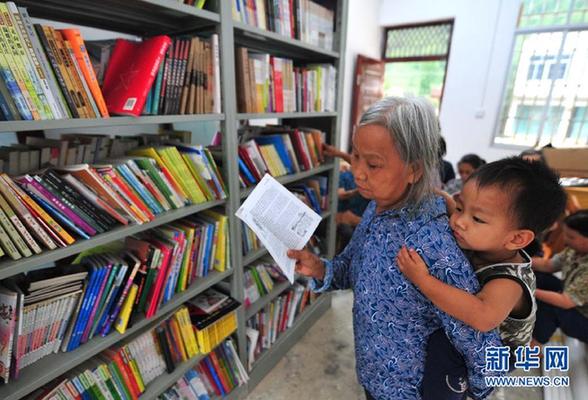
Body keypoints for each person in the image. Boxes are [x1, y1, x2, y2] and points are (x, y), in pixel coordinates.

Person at [287, 97, 503, 400]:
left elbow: (477, 332)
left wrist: (477, 390)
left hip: (410, 390)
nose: (359, 172)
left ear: (414, 170)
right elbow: (352, 268)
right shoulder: (378, 209)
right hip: (374, 373)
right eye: (356, 156)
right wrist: (320, 268)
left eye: (373, 164)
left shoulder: (433, 242)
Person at [396, 157, 567, 399]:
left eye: (476, 219)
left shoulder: (508, 281)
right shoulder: (487, 239)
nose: (459, 221)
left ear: (517, 239)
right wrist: (420, 187)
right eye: (460, 207)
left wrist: (423, 280)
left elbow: (482, 316)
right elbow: (445, 200)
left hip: (499, 352)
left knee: (444, 348)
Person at [531, 210, 588, 347]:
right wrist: (517, 261)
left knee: (551, 306)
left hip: (584, 319)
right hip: (572, 297)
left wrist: (529, 290)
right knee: (539, 277)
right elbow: (548, 265)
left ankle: (534, 346)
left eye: (571, 237)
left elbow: (565, 302)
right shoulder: (574, 250)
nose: (565, 239)